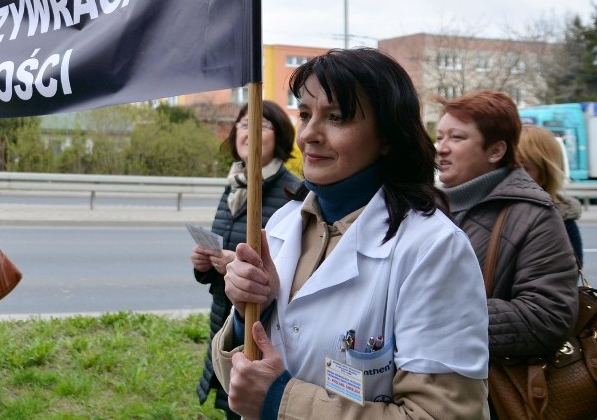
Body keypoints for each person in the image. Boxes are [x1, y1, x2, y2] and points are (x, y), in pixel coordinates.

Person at [211, 48, 490, 419]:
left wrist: (280, 400)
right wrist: (251, 313)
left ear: (388, 136)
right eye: (306, 114)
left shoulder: (434, 249)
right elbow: (242, 383)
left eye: (337, 117)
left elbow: (441, 414)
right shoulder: (281, 224)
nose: (309, 135)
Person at [435, 91, 579, 418]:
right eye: (440, 136)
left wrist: (438, 315)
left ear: (496, 150)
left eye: (457, 138)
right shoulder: (429, 206)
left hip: (487, 394)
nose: (441, 148)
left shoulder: (533, 214)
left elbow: (548, 316)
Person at [193, 100, 300, 420]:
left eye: (262, 125)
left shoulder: (293, 193)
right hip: (226, 324)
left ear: (280, 137)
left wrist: (244, 271)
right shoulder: (234, 186)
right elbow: (221, 259)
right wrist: (205, 265)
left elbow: (298, 273)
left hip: (265, 335)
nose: (249, 132)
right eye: (243, 124)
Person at [517, 124, 584, 266]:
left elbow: (565, 281)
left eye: (523, 168)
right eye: (506, 167)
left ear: (545, 174)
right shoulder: (486, 212)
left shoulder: (561, 223)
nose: (511, 176)